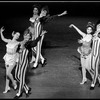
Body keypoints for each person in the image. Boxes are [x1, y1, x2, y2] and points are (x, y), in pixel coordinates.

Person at [14, 30, 47, 99]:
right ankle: (26, 88)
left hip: (24, 62)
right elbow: (17, 51)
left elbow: (34, 43)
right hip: (18, 62)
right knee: (17, 76)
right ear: (23, 35)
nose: (27, 36)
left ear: (30, 37)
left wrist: (40, 36)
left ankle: (19, 93)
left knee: (22, 78)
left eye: (28, 35)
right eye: (25, 35)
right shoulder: (20, 43)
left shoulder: (29, 43)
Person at [0, 27, 20, 93]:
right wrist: (1, 32)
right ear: (13, 34)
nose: (17, 36)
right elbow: (3, 38)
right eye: (16, 34)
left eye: (18, 35)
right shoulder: (9, 40)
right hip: (7, 57)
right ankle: (7, 87)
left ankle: (14, 82)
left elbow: (23, 44)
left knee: (8, 73)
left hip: (13, 58)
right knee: (7, 74)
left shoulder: (17, 43)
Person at [89, 20, 100, 90]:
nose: (99, 27)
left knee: (95, 68)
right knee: (91, 68)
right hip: (92, 53)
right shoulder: (94, 33)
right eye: (98, 25)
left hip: (98, 54)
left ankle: (93, 83)